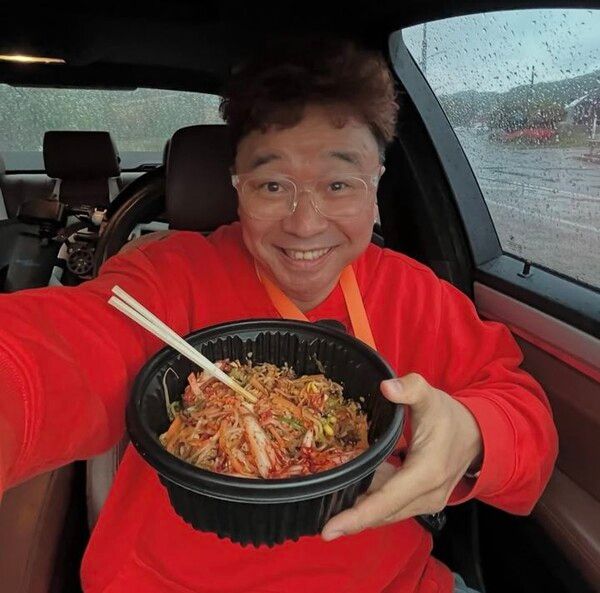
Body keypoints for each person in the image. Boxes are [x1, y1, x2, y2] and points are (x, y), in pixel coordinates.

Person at [0, 35, 557, 593]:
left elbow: (524, 421)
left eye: (338, 184)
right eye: (271, 185)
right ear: (236, 187)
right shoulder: (167, 277)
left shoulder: (417, 296)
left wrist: (472, 433)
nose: (305, 224)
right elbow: (53, 356)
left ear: (376, 186)